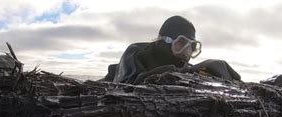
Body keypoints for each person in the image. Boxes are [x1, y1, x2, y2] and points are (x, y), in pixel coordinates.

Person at [103, 16, 241, 84]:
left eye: (192, 47)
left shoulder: (180, 64)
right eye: (182, 43)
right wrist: (187, 71)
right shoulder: (135, 52)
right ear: (165, 40)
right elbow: (127, 86)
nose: (187, 53)